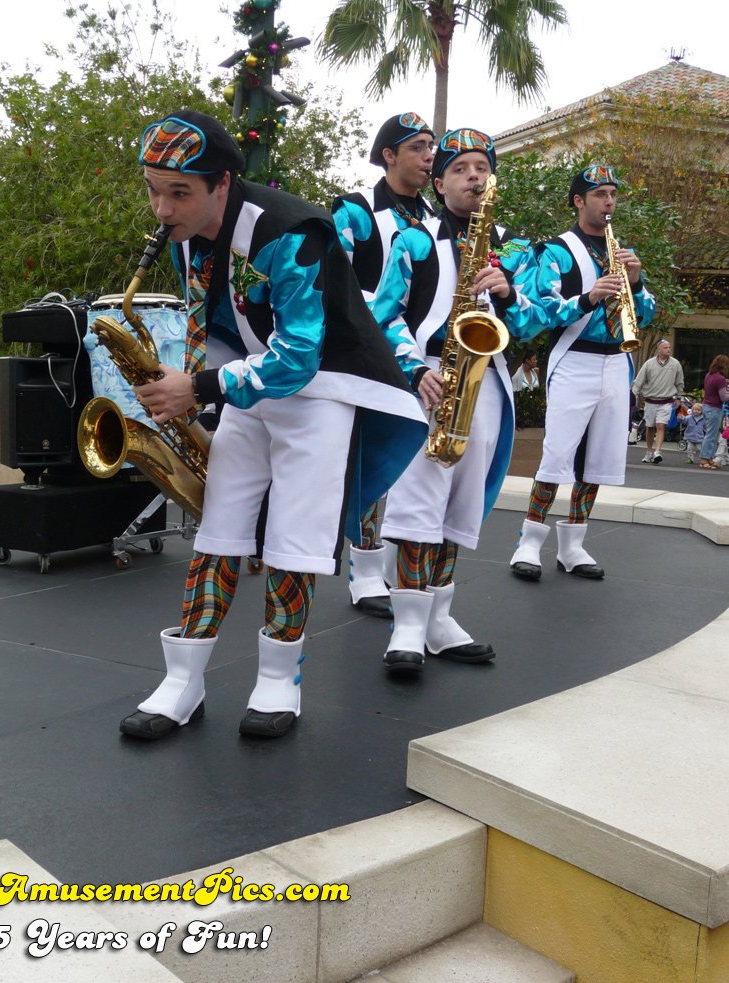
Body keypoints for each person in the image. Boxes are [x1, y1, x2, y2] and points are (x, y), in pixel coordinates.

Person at [118, 109, 427, 740]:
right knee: (218, 529)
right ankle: (182, 682)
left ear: (222, 184)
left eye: (179, 192)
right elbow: (215, 324)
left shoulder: (290, 230)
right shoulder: (186, 235)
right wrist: (197, 394)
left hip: (322, 392)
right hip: (249, 387)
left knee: (294, 540)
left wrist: (199, 389)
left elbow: (298, 357)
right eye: (153, 190)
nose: (162, 210)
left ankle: (280, 681)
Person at [370, 127, 548, 673]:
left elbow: (534, 321)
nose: (474, 176)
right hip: (429, 377)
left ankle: (439, 619)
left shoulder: (511, 249)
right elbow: (384, 314)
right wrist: (412, 368)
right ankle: (407, 626)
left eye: (482, 167)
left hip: (485, 380)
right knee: (418, 504)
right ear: (440, 183)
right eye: (460, 168)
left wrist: (509, 293)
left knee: (461, 505)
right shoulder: (415, 240)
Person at [509, 164, 656, 582]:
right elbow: (542, 309)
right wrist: (589, 297)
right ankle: (528, 543)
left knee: (600, 457)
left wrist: (636, 282)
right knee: (557, 453)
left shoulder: (621, 251)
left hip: (617, 361)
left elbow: (646, 313)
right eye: (600, 195)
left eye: (613, 194)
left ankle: (573, 545)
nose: (609, 202)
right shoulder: (556, 250)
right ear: (579, 201)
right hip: (574, 356)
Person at [332, 112, 436, 617]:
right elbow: (337, 280)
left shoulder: (437, 220)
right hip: (370, 353)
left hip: (427, 354)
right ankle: (366, 571)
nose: (429, 156)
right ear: (388, 155)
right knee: (373, 459)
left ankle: (402, 569)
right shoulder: (354, 210)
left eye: (431, 147)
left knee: (417, 467)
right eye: (417, 147)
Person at [631, 339, 684, 464]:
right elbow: (639, 381)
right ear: (659, 349)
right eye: (665, 347)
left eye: (669, 347)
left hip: (666, 401)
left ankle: (657, 451)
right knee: (650, 427)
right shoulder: (649, 364)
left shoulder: (675, 364)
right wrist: (634, 395)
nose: (669, 349)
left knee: (661, 425)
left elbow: (679, 382)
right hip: (650, 401)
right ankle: (649, 451)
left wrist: (678, 397)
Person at [699, 354, 729, 469]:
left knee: (713, 434)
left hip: (707, 406)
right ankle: (704, 459)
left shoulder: (709, 375)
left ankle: (709, 457)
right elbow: (724, 398)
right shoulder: (720, 379)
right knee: (711, 435)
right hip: (715, 408)